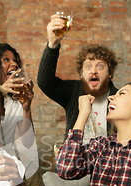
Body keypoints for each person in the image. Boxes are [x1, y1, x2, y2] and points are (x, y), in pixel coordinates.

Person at [37, 13, 119, 142]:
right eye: (88, 67)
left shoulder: (119, 98)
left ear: (110, 73)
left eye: (100, 66)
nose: (93, 71)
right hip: (75, 159)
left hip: (106, 160)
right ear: (81, 74)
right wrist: (53, 44)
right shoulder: (73, 92)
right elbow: (45, 82)